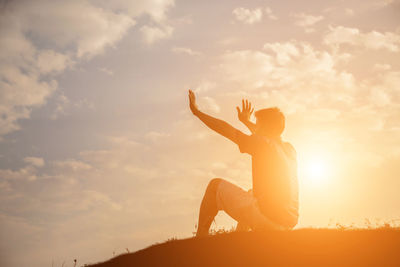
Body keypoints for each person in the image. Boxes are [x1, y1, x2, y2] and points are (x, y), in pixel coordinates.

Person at [188, 89, 298, 237]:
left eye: (257, 124)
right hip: (287, 223)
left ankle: (200, 240)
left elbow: (225, 129)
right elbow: (264, 132)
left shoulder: (262, 144)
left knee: (214, 186)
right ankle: (240, 240)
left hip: (267, 218)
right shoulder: (289, 150)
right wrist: (246, 121)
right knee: (252, 194)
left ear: (264, 128)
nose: (255, 127)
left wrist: (198, 112)